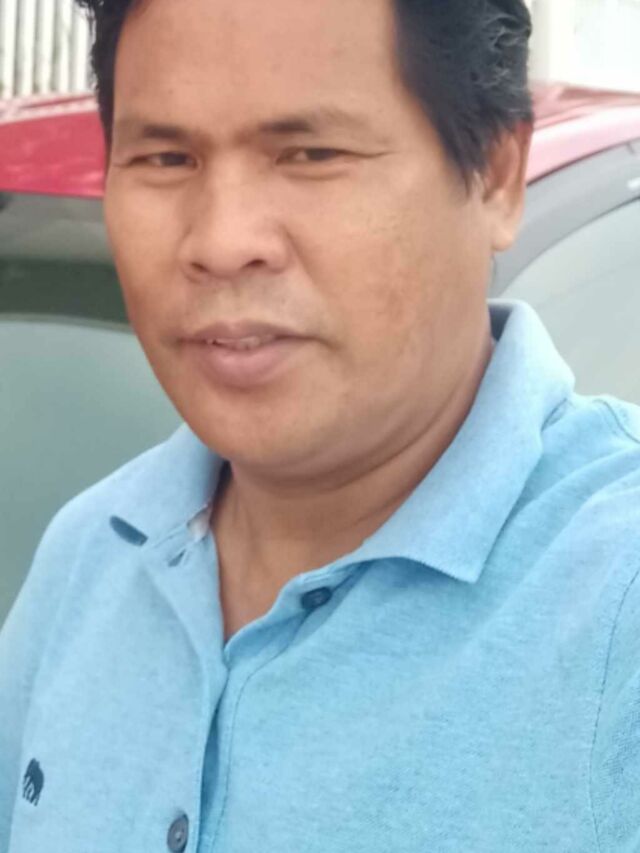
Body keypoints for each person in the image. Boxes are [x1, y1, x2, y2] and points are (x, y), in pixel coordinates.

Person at [1, 0, 639, 850]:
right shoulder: (93, 554)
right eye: (167, 157)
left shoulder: (614, 608)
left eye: (311, 154)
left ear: (495, 174)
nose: (221, 241)